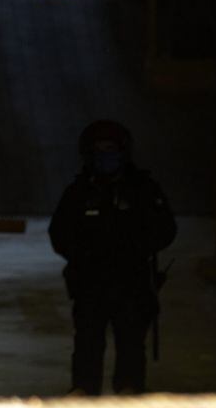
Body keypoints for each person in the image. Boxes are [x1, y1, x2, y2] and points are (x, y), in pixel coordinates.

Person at [48, 119, 177, 396]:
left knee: (130, 344)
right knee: (87, 343)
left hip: (132, 284)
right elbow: (58, 233)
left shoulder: (143, 190)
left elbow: (166, 229)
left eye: (111, 149)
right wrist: (85, 254)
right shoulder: (79, 193)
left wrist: (134, 248)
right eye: (99, 150)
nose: (106, 156)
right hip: (90, 284)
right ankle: (83, 392)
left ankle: (129, 393)